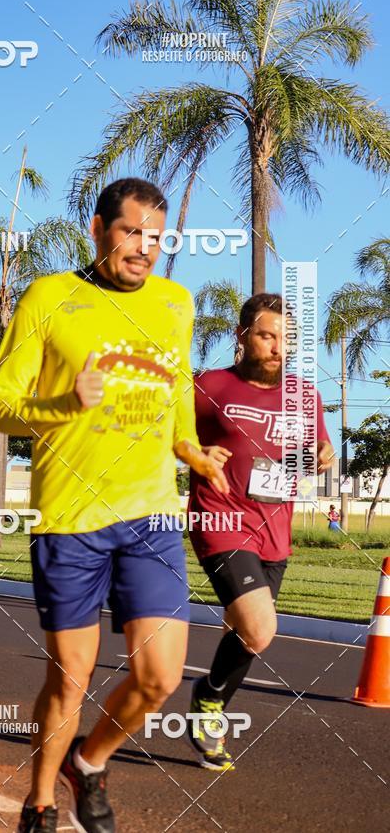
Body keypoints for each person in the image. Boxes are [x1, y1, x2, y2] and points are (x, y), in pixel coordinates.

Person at [0, 177, 227, 833]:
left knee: (159, 676)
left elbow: (177, 394)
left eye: (155, 238)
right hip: (71, 519)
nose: (143, 249)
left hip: (149, 514)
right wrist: (64, 404)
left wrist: (194, 452)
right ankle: (38, 803)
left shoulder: (176, 303)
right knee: (71, 677)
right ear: (97, 230)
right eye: (130, 233)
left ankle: (88, 764)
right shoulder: (49, 298)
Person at [186, 293, 334, 772]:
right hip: (221, 520)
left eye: (285, 339)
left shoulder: (304, 395)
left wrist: (321, 458)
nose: (276, 347)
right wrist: (195, 455)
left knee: (247, 633)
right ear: (244, 336)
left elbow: (312, 456)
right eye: (267, 336)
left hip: (274, 530)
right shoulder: (210, 386)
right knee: (260, 627)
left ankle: (211, 702)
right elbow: (166, 435)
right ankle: (208, 701)